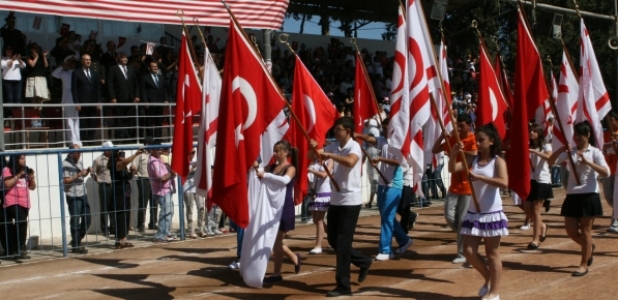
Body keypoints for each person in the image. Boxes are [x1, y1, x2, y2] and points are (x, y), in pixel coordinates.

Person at [313, 117, 372, 297]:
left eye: (338, 129)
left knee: (343, 243)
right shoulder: (334, 146)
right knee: (333, 240)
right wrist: (314, 147)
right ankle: (363, 261)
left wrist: (329, 155)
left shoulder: (353, 146)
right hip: (336, 200)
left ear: (347, 130)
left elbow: (350, 162)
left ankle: (343, 286)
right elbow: (312, 156)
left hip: (350, 201)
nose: (335, 132)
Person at [450, 123, 508, 300]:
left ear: (491, 141)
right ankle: (489, 278)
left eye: (482, 140)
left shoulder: (498, 161)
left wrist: (479, 177)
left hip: (492, 213)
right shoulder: (472, 159)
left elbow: (504, 182)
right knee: (468, 251)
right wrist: (453, 152)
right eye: (477, 140)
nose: (478, 143)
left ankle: (494, 292)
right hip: (474, 213)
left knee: (492, 254)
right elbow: (453, 169)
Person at [548, 121, 609, 276]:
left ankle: (583, 264)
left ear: (588, 135)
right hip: (572, 194)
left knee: (586, 230)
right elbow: (550, 162)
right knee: (571, 230)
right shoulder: (571, 152)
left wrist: (588, 162)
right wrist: (561, 149)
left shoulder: (595, 152)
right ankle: (589, 247)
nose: (577, 138)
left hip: (589, 194)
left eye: (580, 135)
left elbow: (606, 172)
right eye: (575, 135)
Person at [356, 118, 413, 261]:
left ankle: (386, 249)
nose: (385, 128)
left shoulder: (399, 143)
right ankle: (404, 240)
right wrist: (357, 135)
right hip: (383, 183)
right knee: (385, 215)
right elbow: (370, 139)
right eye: (384, 126)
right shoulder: (382, 140)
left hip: (394, 184)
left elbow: (400, 161)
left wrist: (380, 159)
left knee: (387, 216)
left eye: (388, 126)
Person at [431, 113, 478, 264]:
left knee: (462, 219)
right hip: (454, 186)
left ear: (469, 125)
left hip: (468, 186)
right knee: (448, 214)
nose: (458, 127)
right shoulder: (454, 139)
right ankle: (466, 232)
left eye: (461, 125)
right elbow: (435, 149)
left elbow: (475, 154)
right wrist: (442, 136)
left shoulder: (472, 139)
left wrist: (459, 151)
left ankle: (462, 253)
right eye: (457, 124)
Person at [260, 140, 301, 283]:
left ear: (285, 152)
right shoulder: (271, 167)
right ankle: (295, 258)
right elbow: (258, 173)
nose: (275, 153)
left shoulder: (291, 168)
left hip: (285, 208)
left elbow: (284, 180)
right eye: (274, 150)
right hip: (271, 209)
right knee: (276, 241)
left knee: (276, 241)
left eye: (277, 151)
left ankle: (277, 273)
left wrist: (265, 175)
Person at [525, 124, 553, 249]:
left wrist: (535, 152)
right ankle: (543, 226)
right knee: (527, 209)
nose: (531, 133)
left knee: (536, 210)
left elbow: (549, 157)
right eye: (530, 131)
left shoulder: (546, 146)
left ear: (539, 133)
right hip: (531, 180)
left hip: (542, 180)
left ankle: (535, 239)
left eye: (534, 131)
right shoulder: (528, 146)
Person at [3, 154, 36, 260]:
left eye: (24, 158)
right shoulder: (7, 170)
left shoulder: (25, 169)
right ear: (16, 160)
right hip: (12, 201)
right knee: (22, 221)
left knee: (19, 225)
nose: (24, 160)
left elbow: (32, 187)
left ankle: (16, 249)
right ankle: (21, 247)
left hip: (24, 202)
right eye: (21, 158)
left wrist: (32, 178)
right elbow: (7, 184)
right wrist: (18, 175)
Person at [62, 144, 92, 254]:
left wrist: (86, 172)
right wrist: (79, 174)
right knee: (75, 220)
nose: (80, 155)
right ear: (71, 153)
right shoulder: (65, 164)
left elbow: (81, 176)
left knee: (88, 219)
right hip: (73, 195)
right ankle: (76, 244)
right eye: (78, 153)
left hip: (82, 193)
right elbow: (66, 180)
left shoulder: (79, 162)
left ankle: (77, 240)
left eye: (80, 152)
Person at [109, 148, 140, 249]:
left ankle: (124, 238)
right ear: (115, 155)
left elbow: (128, 178)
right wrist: (135, 155)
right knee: (121, 215)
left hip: (126, 192)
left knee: (126, 214)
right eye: (120, 154)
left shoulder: (124, 166)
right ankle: (119, 239)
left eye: (124, 153)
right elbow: (121, 164)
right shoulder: (115, 164)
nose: (122, 156)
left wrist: (132, 171)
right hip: (118, 192)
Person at [107, 52, 140, 142]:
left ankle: (128, 137)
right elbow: (110, 84)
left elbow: (136, 83)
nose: (125, 59)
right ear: (118, 59)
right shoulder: (112, 68)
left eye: (126, 57)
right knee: (119, 118)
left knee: (129, 118)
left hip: (131, 98)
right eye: (123, 57)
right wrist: (112, 97)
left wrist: (137, 95)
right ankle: (119, 137)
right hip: (119, 98)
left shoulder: (131, 68)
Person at [148, 143, 176, 243]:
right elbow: (162, 178)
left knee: (169, 212)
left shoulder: (158, 160)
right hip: (161, 191)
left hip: (165, 190)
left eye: (160, 149)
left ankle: (166, 232)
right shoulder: (154, 162)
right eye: (157, 149)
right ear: (152, 150)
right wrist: (171, 174)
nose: (160, 151)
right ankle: (160, 235)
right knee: (165, 212)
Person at [306, 149, 332, 254]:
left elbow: (324, 175)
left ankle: (318, 246)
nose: (317, 153)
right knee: (316, 220)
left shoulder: (330, 161)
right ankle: (332, 236)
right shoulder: (316, 161)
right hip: (314, 192)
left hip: (324, 192)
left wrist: (311, 170)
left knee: (319, 219)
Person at [71, 54, 101, 144]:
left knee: (92, 122)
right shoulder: (76, 72)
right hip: (82, 103)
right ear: (82, 61)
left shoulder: (94, 73)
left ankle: (90, 141)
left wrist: (99, 101)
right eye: (86, 59)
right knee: (83, 123)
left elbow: (98, 88)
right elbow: (74, 89)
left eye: (89, 59)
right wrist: (76, 102)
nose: (88, 61)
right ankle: (83, 141)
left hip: (92, 102)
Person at [52, 55, 81, 145]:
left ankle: (78, 140)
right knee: (69, 121)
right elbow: (54, 74)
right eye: (70, 62)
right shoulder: (64, 73)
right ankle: (71, 141)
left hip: (77, 98)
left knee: (77, 120)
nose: (73, 64)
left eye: (74, 62)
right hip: (67, 98)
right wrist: (63, 66)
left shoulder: (78, 72)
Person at [130, 136, 156, 234]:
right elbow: (133, 166)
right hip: (143, 179)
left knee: (154, 203)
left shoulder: (153, 154)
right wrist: (135, 170)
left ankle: (153, 223)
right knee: (143, 203)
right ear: (147, 144)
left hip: (153, 180)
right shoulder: (140, 154)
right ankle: (141, 225)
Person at [183, 149, 206, 238]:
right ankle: (191, 230)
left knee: (201, 208)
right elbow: (186, 173)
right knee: (190, 210)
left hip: (197, 187)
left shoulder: (196, 161)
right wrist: (193, 167)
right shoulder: (184, 162)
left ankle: (201, 229)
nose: (193, 154)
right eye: (191, 152)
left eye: (194, 152)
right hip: (187, 188)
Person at [140, 61, 167, 138]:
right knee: (149, 121)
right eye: (153, 66)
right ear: (149, 68)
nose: (155, 68)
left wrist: (166, 99)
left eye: (156, 66)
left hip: (160, 102)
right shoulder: (145, 77)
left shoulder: (161, 77)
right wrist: (145, 101)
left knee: (159, 121)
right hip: (150, 103)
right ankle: (150, 138)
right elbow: (143, 90)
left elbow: (164, 89)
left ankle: (158, 138)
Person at [92, 141, 114, 236]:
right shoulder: (98, 160)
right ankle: (104, 229)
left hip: (113, 185)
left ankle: (113, 227)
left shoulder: (114, 158)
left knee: (113, 208)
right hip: (104, 185)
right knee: (104, 208)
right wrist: (99, 181)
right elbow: (93, 173)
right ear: (105, 150)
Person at [602, 112, 618, 232]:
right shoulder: (605, 134)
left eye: (612, 119)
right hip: (608, 168)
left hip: (617, 169)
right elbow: (602, 147)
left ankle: (615, 221)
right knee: (608, 196)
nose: (610, 121)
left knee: (616, 195)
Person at [1, 45, 26, 118]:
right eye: (7, 50)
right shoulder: (3, 58)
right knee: (10, 98)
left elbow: (24, 66)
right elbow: (5, 65)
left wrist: (19, 59)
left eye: (10, 50)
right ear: (5, 51)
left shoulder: (17, 60)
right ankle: (10, 114)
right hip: (7, 80)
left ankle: (17, 114)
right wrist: (12, 59)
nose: (9, 51)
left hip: (17, 80)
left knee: (18, 98)